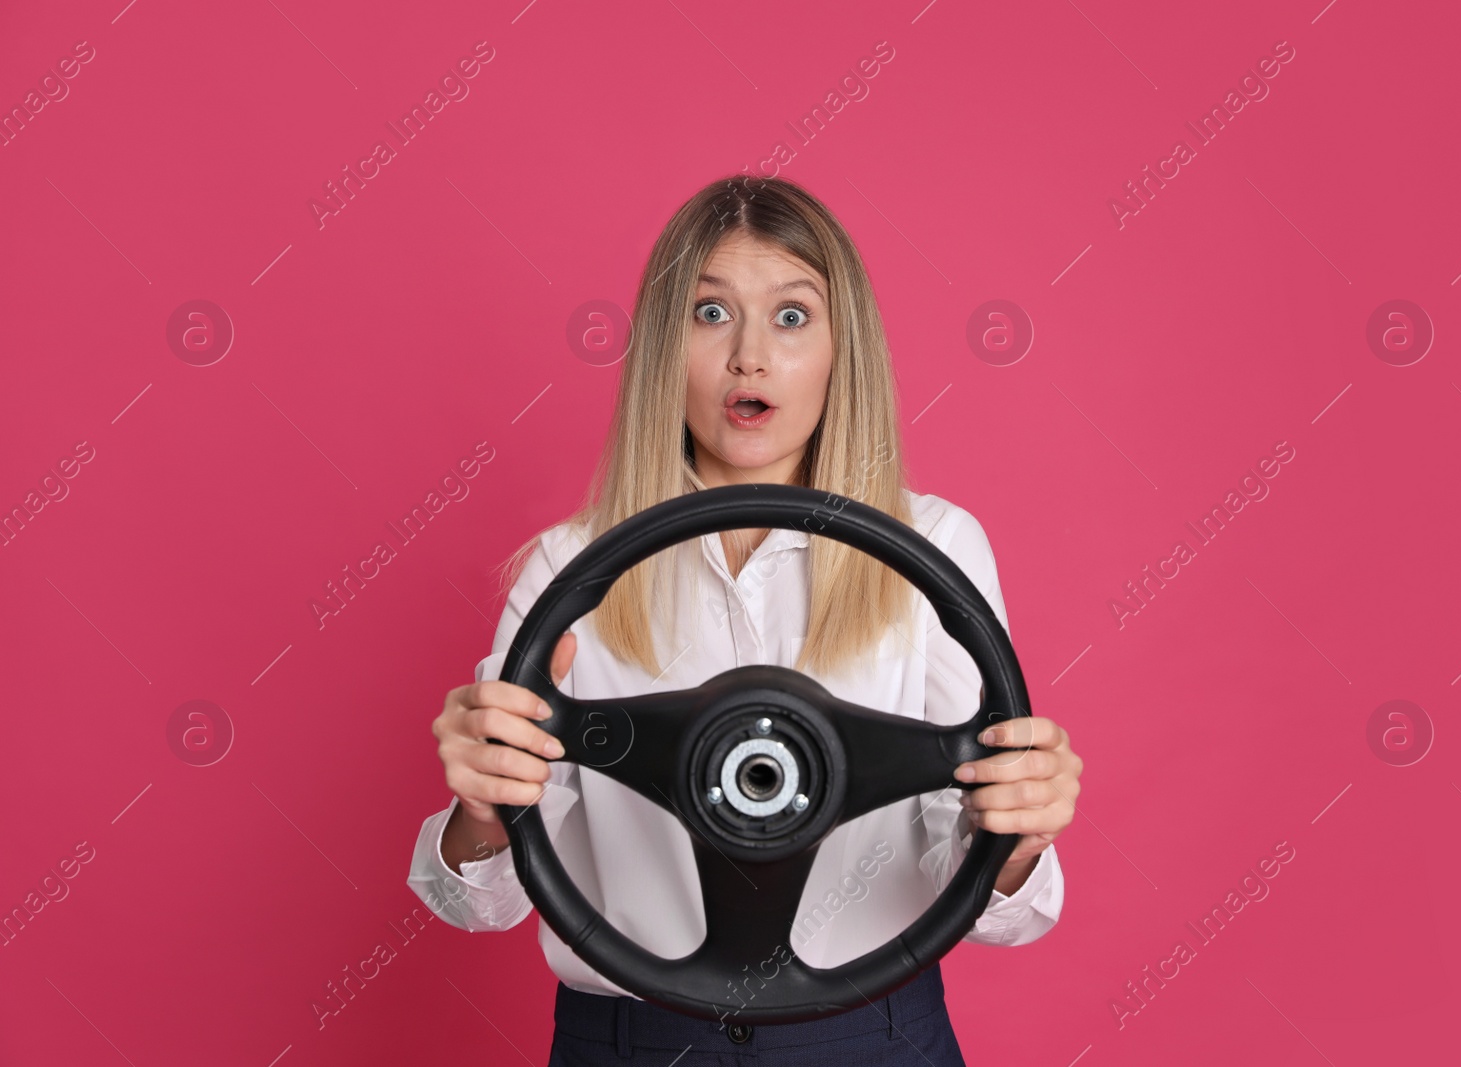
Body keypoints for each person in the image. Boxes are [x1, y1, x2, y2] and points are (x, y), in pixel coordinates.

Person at [407, 175, 1084, 1065]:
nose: (750, 358)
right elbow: (475, 900)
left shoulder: (938, 547)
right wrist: (483, 807)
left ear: (845, 350)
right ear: (661, 346)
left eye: (793, 317)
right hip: (629, 1040)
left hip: (871, 1037)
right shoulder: (570, 569)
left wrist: (1017, 832)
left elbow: (997, 903)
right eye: (710, 313)